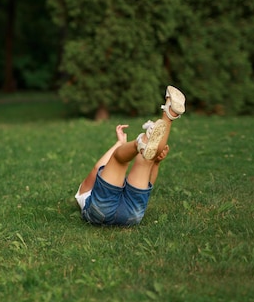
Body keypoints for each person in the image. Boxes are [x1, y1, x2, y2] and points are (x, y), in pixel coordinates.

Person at [74, 86, 186, 226]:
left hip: (128, 214)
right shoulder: (82, 192)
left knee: (144, 159)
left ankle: (149, 134)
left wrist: (154, 162)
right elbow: (98, 168)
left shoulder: (82, 195)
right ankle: (164, 120)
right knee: (131, 159)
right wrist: (120, 145)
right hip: (127, 215)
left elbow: (100, 169)